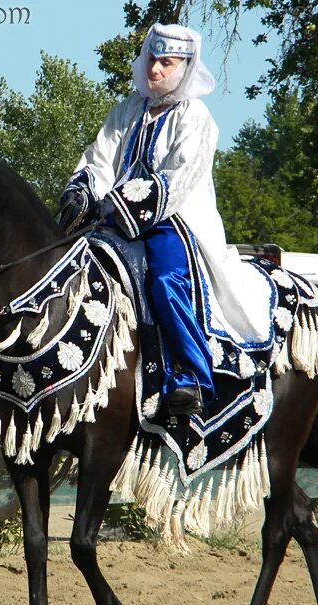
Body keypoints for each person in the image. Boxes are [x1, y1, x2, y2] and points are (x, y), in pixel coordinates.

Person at [58, 22, 229, 416]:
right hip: (115, 217)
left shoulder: (196, 117)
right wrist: (82, 190)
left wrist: (126, 202)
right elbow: (99, 160)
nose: (154, 70)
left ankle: (190, 376)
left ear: (185, 67)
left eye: (165, 63)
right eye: (152, 59)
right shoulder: (128, 110)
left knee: (166, 280)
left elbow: (178, 177)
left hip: (175, 220)